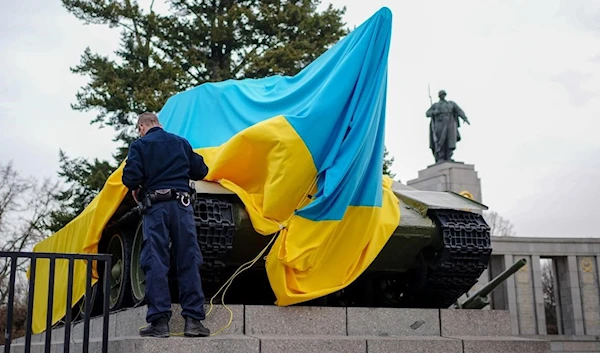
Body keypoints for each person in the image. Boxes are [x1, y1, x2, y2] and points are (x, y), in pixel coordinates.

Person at [122, 112, 210, 338]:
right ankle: (193, 321)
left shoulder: (139, 146)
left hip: (156, 208)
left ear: (141, 127)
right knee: (188, 259)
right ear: (159, 124)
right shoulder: (180, 142)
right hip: (182, 206)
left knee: (155, 261)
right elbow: (201, 170)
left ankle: (160, 322)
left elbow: (130, 179)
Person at [425, 90, 470, 163]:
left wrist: (464, 118)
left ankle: (449, 156)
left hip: (450, 122)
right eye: (441, 95)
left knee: (450, 140)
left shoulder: (451, 103)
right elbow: (427, 113)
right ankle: (441, 157)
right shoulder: (436, 105)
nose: (443, 96)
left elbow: (459, 110)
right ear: (439, 96)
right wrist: (434, 112)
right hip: (440, 123)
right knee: (441, 140)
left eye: (443, 94)